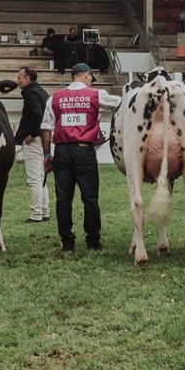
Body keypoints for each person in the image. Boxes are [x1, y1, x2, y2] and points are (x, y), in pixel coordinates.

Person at [41, 63, 121, 252]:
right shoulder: (96, 95)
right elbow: (120, 102)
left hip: (61, 151)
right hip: (84, 151)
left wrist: (47, 155)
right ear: (86, 75)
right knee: (90, 198)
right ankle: (93, 241)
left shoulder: (54, 97)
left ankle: (67, 242)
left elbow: (45, 128)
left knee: (63, 199)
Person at [14, 65, 51, 223]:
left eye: (20, 77)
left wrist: (32, 134)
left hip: (35, 139)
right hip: (44, 138)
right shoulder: (41, 91)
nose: (18, 81)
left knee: (34, 179)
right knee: (41, 178)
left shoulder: (31, 94)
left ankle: (36, 214)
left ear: (27, 79)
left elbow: (36, 114)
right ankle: (44, 211)